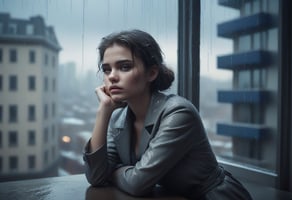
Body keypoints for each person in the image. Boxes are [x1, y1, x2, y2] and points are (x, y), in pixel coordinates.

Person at [83, 29, 252, 200]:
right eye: (106, 69)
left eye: (125, 67)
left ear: (152, 73)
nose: (112, 77)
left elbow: (137, 183)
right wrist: (103, 111)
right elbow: (96, 177)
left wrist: (111, 171)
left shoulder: (178, 112)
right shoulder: (118, 117)